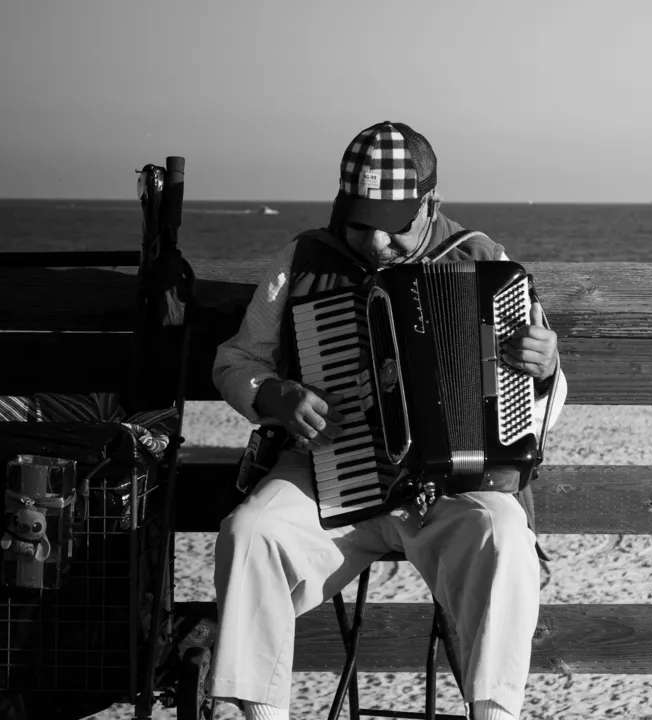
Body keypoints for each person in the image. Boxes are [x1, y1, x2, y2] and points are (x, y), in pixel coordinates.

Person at [206, 121, 568, 720]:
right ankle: (254, 714)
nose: (375, 243)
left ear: (431, 203)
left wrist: (546, 367)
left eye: (393, 226)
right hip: (332, 478)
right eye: (361, 222)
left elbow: (542, 414)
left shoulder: (485, 262)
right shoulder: (302, 259)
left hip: (450, 494)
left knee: (505, 536)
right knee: (251, 532)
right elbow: (235, 359)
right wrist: (273, 396)